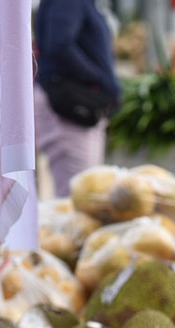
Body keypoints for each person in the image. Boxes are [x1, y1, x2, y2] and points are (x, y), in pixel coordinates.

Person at [33, 0, 121, 197]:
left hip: (76, 107)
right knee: (79, 200)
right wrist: (97, 78)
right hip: (71, 108)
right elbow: (59, 44)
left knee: (83, 196)